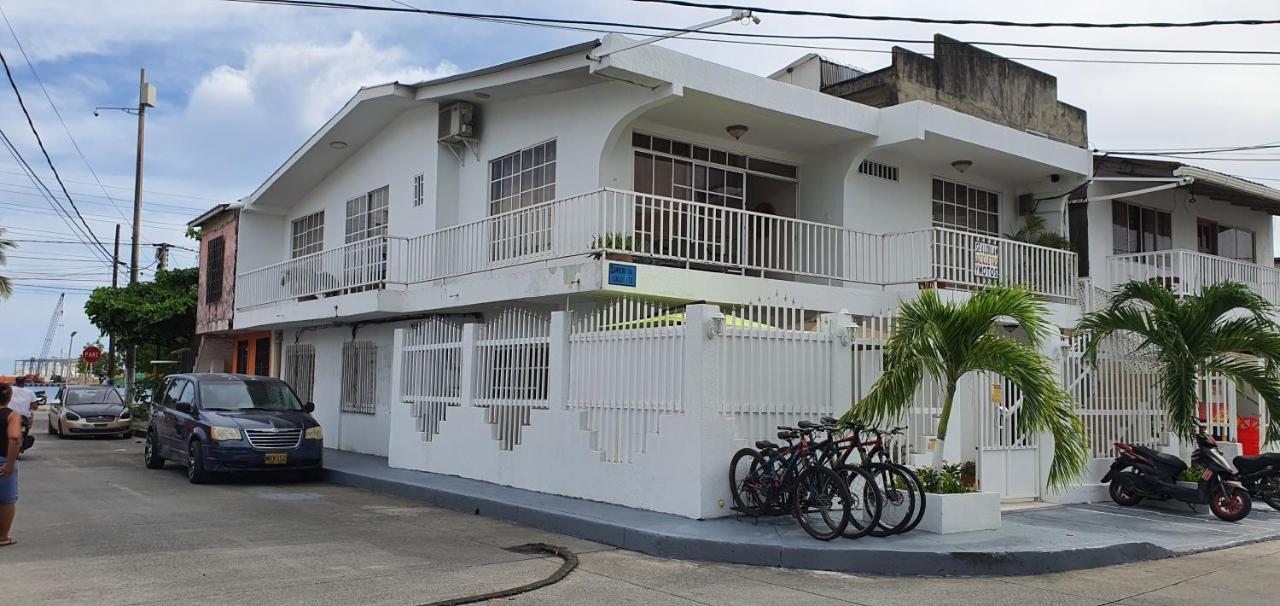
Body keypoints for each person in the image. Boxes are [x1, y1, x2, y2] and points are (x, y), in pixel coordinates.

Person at [1, 383, 20, 547]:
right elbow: (14, 437)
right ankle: (2, 537)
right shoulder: (12, 415)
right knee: (6, 500)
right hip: (1, 459)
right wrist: (9, 463)